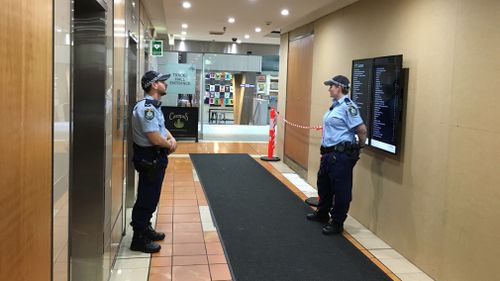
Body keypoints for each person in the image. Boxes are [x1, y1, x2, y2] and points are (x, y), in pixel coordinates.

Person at [306, 75, 367, 235]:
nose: (329, 89)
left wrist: (359, 146)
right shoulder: (334, 106)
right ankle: (322, 213)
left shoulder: (348, 106)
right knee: (324, 185)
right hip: (328, 155)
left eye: (331, 86)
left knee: (341, 190)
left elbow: (361, 129)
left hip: (341, 156)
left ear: (339, 87)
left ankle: (337, 222)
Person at [130, 70, 177, 253]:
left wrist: (171, 139)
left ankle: (145, 228)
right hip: (150, 157)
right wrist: (169, 145)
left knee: (152, 195)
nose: (166, 84)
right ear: (154, 85)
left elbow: (162, 128)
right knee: (147, 197)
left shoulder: (154, 106)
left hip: (155, 156)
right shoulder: (147, 108)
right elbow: (154, 137)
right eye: (163, 81)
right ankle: (139, 238)